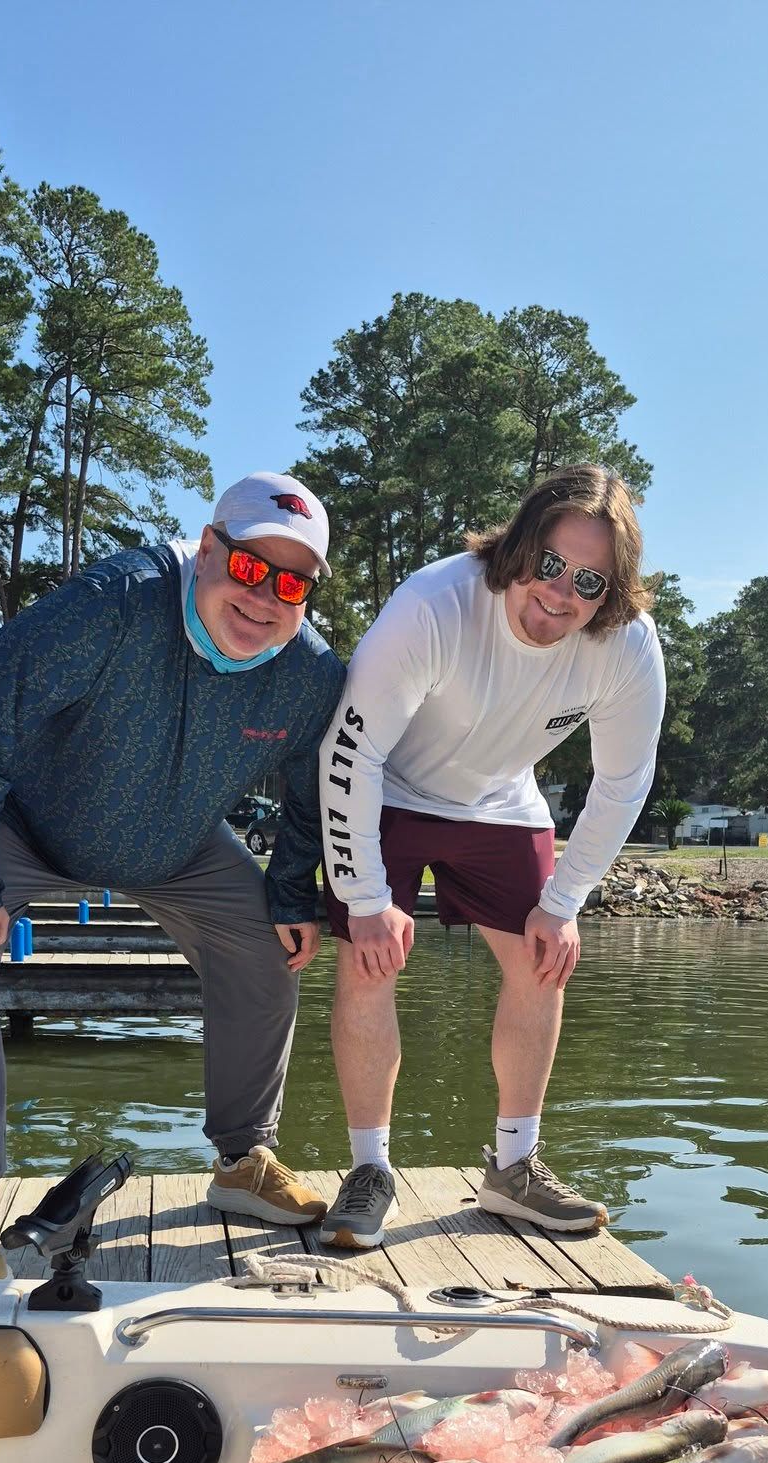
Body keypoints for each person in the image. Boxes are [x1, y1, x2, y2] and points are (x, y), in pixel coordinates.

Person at [0, 473, 343, 1276]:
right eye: (250, 568)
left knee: (269, 948)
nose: (264, 599)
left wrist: (290, 892)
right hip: (25, 823)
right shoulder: (113, 603)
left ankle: (243, 1159)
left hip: (179, 844)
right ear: (207, 549)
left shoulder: (311, 674)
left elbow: (310, 786)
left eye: (291, 585)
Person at [315, 464, 666, 1249]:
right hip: (388, 786)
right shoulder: (433, 604)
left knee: (544, 960)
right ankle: (369, 1170)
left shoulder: (628, 647)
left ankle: (514, 1168)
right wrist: (366, 901)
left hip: (502, 800)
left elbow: (623, 783)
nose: (561, 594)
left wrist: (563, 904)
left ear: (611, 593)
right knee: (369, 961)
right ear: (519, 546)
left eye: (589, 581)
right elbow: (350, 752)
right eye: (549, 564)